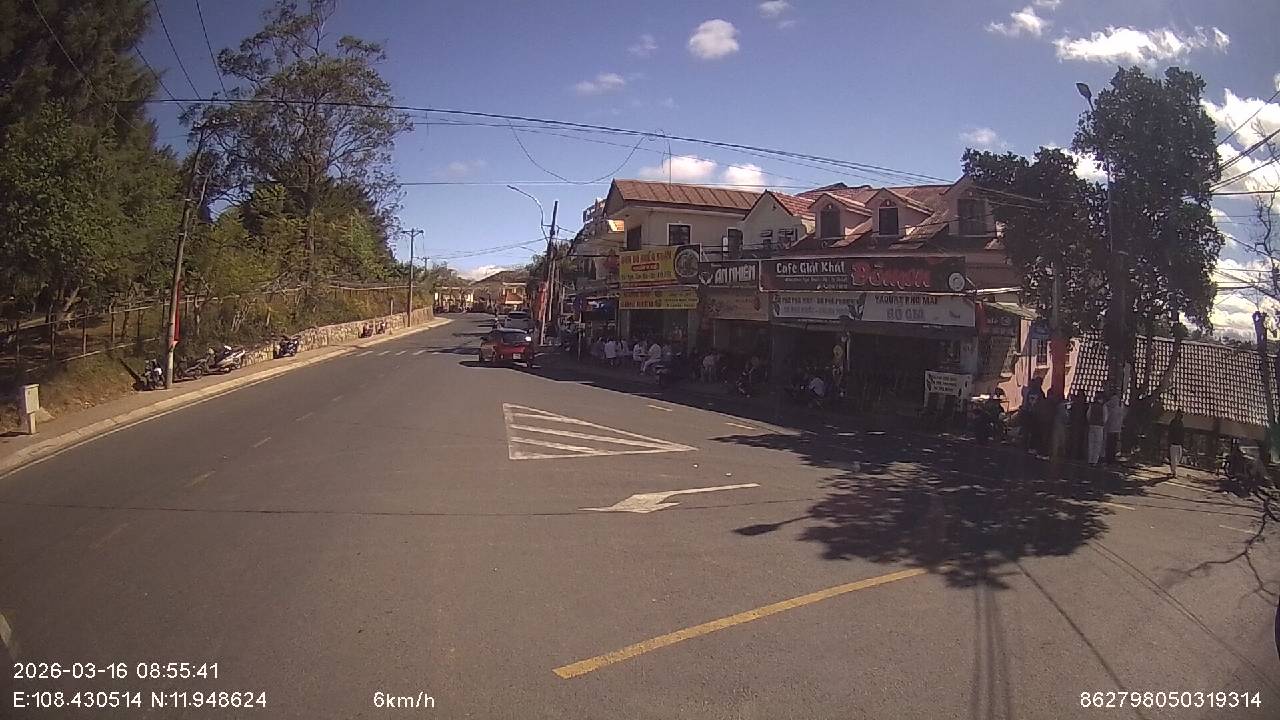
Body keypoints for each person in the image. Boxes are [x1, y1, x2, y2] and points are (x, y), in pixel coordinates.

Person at [1104, 391, 1125, 464]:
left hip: (1110, 429)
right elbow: (1122, 418)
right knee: (1113, 445)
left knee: (1109, 444)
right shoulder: (1119, 409)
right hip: (1116, 429)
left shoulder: (1109, 408)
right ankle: (1111, 458)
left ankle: (1108, 458)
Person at [1086, 392, 1107, 466]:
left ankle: (1090, 459)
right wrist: (1103, 423)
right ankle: (1095, 460)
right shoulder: (1103, 406)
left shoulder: (1092, 405)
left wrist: (1090, 421)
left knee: (1091, 443)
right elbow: (1105, 417)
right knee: (1098, 443)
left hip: (1091, 425)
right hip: (1099, 426)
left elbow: (1088, 415)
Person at [1069, 390, 1089, 461]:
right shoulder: (1085, 405)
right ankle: (1078, 454)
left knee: (1075, 439)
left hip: (1076, 424)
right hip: (1081, 424)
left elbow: (1071, 413)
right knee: (1080, 440)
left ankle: (1074, 454)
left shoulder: (1074, 404)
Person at [1167, 409, 1185, 478]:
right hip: (1173, 443)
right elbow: (1170, 432)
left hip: (1179, 443)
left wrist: (1182, 443)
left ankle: (1174, 470)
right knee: (1173, 458)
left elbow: (1182, 434)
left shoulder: (1181, 423)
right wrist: (1169, 441)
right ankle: (1174, 472)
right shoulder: (1173, 422)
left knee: (1178, 458)